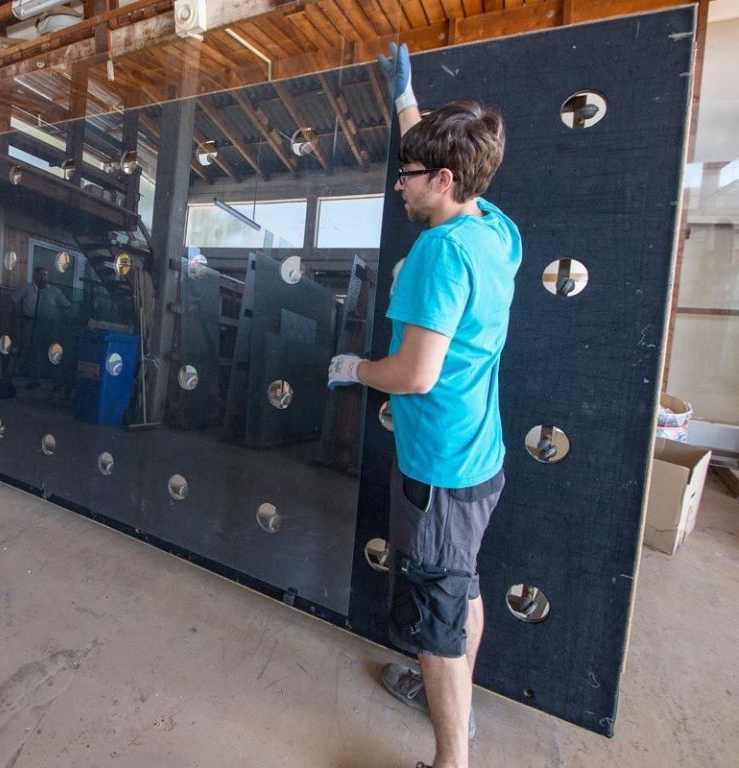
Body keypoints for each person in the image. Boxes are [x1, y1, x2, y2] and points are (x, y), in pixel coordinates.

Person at [328, 43, 521, 768]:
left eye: (407, 178)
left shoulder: (438, 256)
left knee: (438, 620)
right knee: (462, 584)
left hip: (437, 468)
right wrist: (407, 99)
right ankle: (457, 708)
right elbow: (440, 161)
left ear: (443, 180)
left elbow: (414, 374)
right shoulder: (495, 228)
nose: (397, 189)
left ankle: (451, 757)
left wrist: (355, 368)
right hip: (481, 459)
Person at [14, 266, 71, 388]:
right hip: (31, 322)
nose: (42, 278)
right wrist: (18, 318)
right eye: (40, 275)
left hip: (50, 325)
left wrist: (60, 320)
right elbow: (14, 301)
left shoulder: (55, 291)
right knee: (34, 352)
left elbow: (67, 306)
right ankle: (35, 380)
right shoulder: (27, 288)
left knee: (53, 352)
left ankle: (57, 382)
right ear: (35, 276)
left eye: (45, 275)